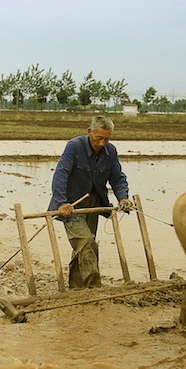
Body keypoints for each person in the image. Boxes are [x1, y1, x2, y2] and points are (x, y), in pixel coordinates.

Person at [48, 114, 133, 289]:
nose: (102, 143)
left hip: (94, 205)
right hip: (72, 205)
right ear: (89, 132)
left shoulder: (111, 151)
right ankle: (94, 288)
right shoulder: (74, 147)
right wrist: (62, 203)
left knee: (85, 245)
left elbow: (117, 178)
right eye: (99, 138)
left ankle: (77, 287)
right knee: (86, 242)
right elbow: (61, 174)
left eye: (106, 139)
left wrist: (123, 197)